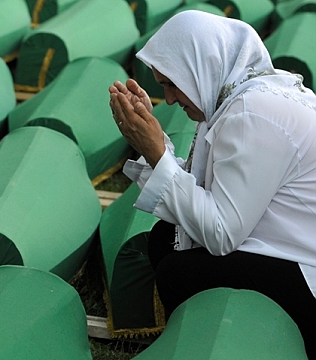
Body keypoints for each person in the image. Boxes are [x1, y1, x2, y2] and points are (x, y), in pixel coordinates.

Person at [108, 10, 316, 358]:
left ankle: (215, 347)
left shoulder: (253, 114)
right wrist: (153, 145)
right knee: (165, 238)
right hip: (291, 250)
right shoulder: (242, 95)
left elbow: (221, 233)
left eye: (173, 84)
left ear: (202, 68)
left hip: (308, 278)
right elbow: (206, 195)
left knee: (181, 271)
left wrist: (157, 153)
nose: (170, 99)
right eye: (163, 86)